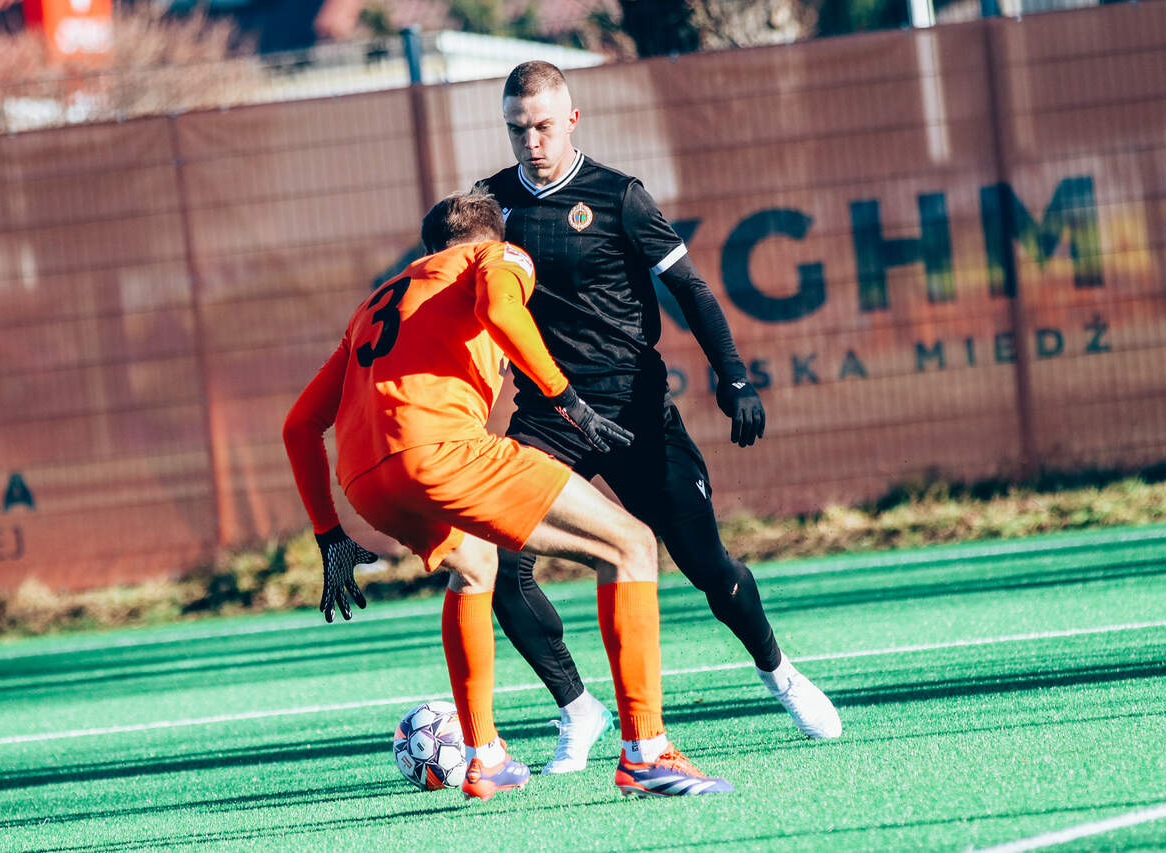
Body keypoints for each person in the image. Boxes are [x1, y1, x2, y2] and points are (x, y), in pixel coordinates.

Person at [282, 188, 733, 800]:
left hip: (366, 482)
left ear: (428, 249)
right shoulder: (496, 255)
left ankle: (484, 755)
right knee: (630, 544)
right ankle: (646, 754)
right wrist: (566, 399)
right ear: (492, 236)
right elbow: (499, 307)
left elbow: (299, 426)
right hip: (441, 451)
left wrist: (329, 534)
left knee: (475, 565)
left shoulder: (374, 302)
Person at [477, 61, 843, 774]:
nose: (532, 142)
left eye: (544, 126)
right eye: (518, 129)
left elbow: (693, 290)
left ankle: (779, 672)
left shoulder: (619, 197)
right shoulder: (492, 207)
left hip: (632, 410)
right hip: (549, 416)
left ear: (572, 120)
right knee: (499, 560)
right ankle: (578, 710)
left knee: (705, 564)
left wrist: (734, 376)